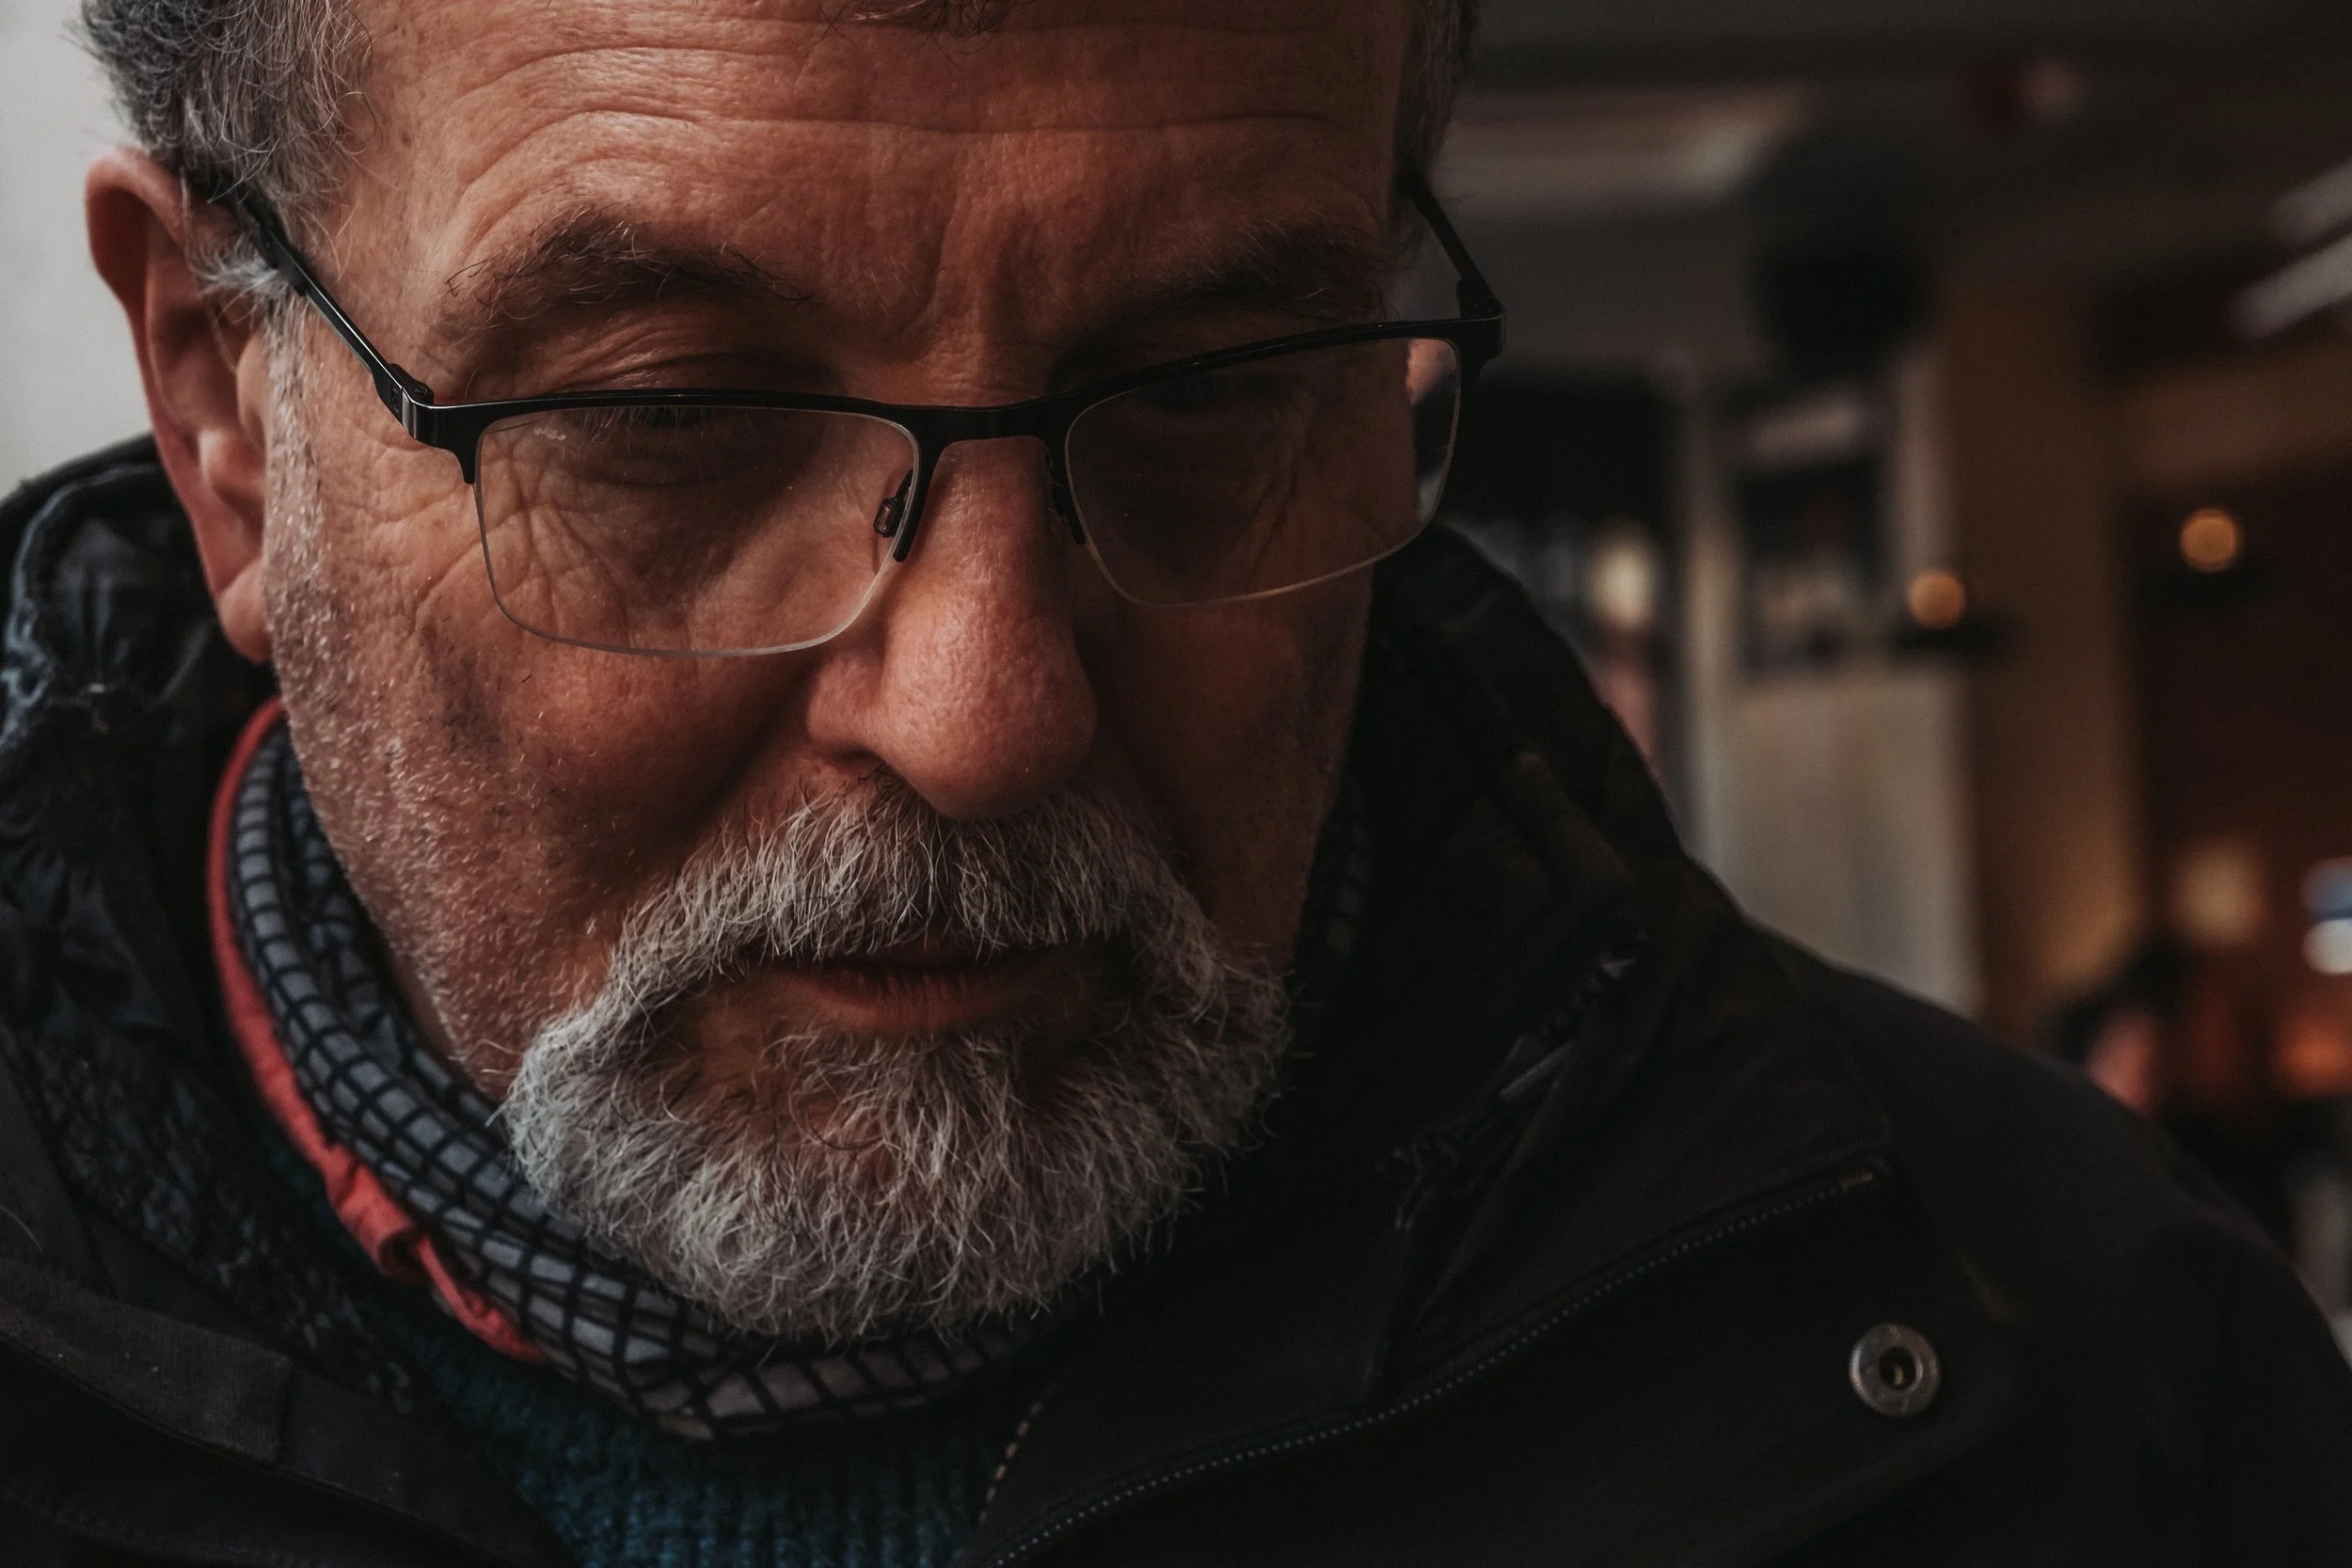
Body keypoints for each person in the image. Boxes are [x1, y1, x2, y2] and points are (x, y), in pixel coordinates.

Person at [1, 1, 2347, 1563]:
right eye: (668, 423)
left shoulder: (2078, 1377)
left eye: (1215, 395)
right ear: (224, 415)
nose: (986, 710)